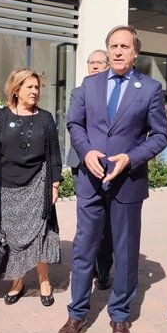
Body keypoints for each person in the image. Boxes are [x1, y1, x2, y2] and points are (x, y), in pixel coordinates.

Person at [58, 25, 167, 333]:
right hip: (90, 181)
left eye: (125, 46)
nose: (118, 51)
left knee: (125, 251)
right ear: (107, 51)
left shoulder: (149, 88)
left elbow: (160, 136)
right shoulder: (89, 85)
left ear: (135, 53)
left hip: (127, 183)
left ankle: (120, 317)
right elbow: (74, 124)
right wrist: (87, 151)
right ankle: (76, 315)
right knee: (83, 249)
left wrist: (132, 158)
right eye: (113, 46)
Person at [0, 69, 62, 307]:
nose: (35, 92)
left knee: (40, 234)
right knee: (12, 236)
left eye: (37, 87)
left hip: (38, 184)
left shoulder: (45, 118)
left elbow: (54, 154)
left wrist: (55, 184)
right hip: (7, 187)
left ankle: (44, 280)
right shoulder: (1, 117)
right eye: (30, 87)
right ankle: (17, 282)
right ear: (16, 90)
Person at [66, 49, 114, 291]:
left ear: (107, 66)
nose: (94, 66)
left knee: (107, 222)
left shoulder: (115, 94)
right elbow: (74, 124)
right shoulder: (79, 91)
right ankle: (88, 267)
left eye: (99, 63)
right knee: (86, 220)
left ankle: (104, 267)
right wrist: (87, 152)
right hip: (82, 163)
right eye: (91, 62)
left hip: (109, 163)